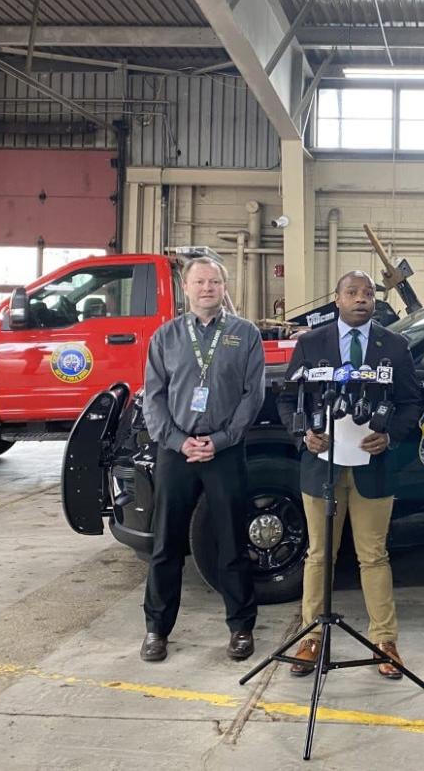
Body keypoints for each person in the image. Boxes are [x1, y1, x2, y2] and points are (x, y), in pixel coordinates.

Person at [277, 270, 422, 679]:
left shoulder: (394, 345)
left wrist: (390, 434)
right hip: (321, 466)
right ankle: (311, 637)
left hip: (372, 468)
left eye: (367, 293)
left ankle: (385, 641)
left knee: (373, 555)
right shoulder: (310, 343)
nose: (361, 298)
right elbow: (289, 399)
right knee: (319, 554)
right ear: (337, 299)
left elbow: (412, 401)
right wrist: (302, 433)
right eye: (352, 292)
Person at [140, 256, 265, 664]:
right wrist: (178, 441)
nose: (207, 288)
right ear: (186, 287)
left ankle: (241, 628)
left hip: (225, 452)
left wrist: (223, 438)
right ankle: (157, 629)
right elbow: (153, 397)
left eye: (214, 281)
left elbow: (253, 394)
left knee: (231, 541)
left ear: (224, 286)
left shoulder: (245, 335)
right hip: (177, 452)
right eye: (199, 281)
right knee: (166, 544)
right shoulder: (166, 337)